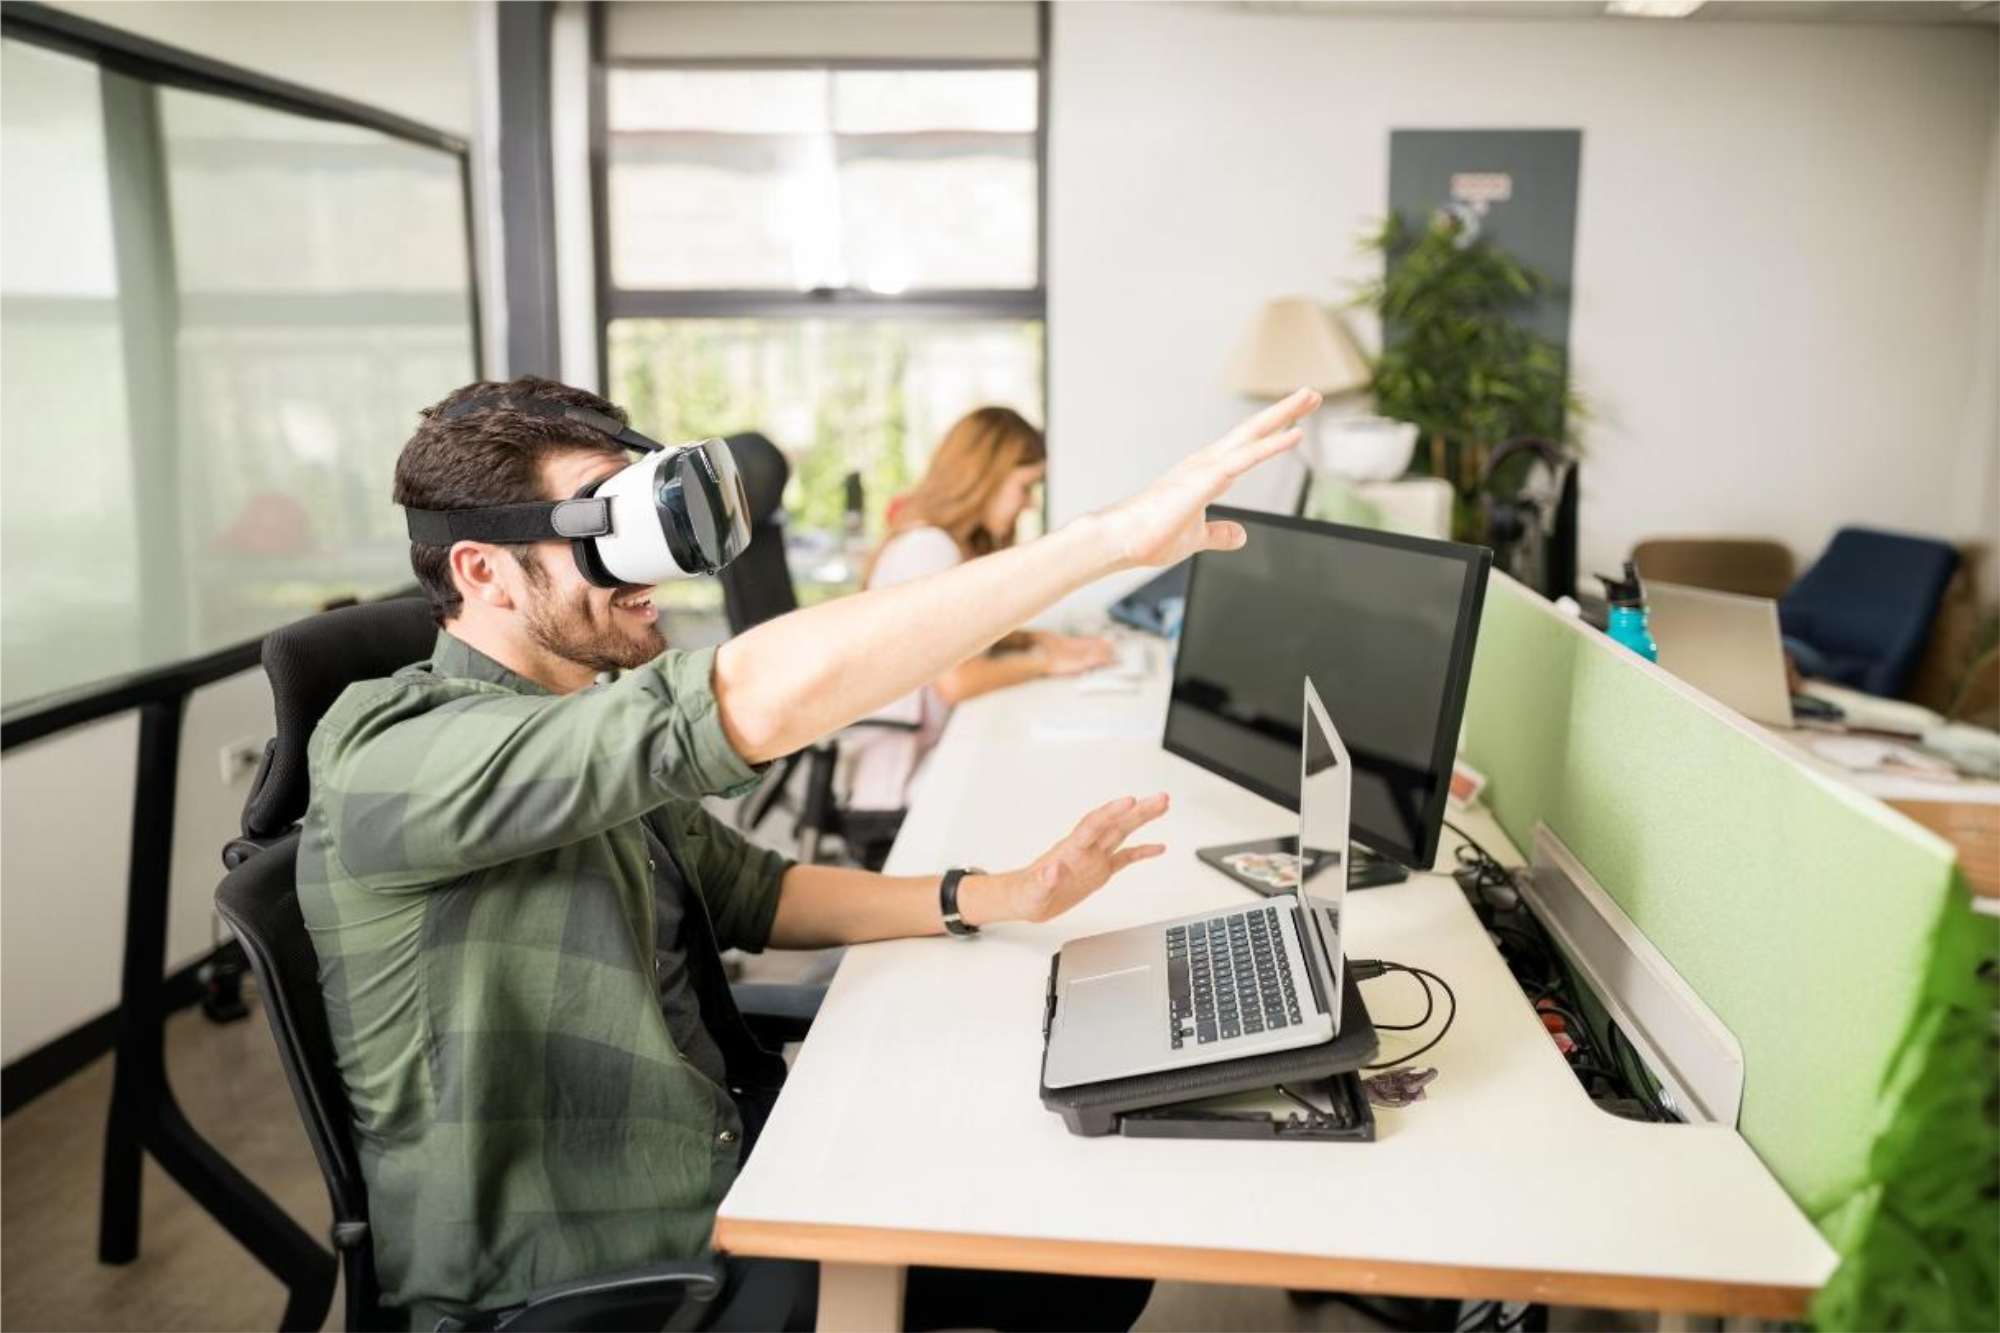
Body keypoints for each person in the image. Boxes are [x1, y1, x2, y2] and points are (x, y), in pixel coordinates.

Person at [297, 376, 1319, 1330]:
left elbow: (755, 891)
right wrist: (1102, 542)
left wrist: (1003, 891)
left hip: (734, 1145)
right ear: (481, 571)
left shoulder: (579, 718)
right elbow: (742, 699)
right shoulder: (389, 755)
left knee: (1087, 1225)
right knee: (1075, 1262)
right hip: (594, 1258)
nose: (657, 570)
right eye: (604, 529)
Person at [846, 407, 1117, 820]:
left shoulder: (939, 543)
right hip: (902, 773)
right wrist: (1046, 663)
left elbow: (966, 640)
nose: (1028, 503)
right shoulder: (928, 549)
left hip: (929, 746)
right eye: (1025, 486)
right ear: (983, 478)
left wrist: (1038, 641)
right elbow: (956, 681)